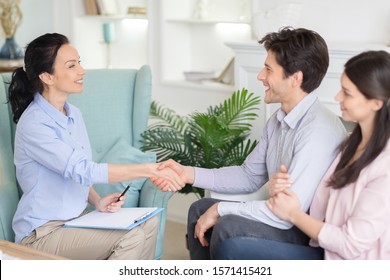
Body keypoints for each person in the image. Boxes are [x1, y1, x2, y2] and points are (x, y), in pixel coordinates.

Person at [152, 27, 347, 259]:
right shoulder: (278, 120)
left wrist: (221, 209)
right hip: (284, 219)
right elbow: (249, 175)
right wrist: (189, 173)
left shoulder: (317, 131)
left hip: (306, 234)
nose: (260, 76)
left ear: (296, 77)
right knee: (199, 209)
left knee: (227, 226)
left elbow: (287, 213)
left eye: (268, 69)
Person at [8, 33, 183, 260]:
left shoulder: (74, 114)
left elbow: (74, 173)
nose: (82, 71)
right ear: (47, 77)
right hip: (41, 234)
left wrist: (97, 200)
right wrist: (149, 169)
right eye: (72, 66)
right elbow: (84, 169)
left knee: (149, 224)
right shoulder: (34, 124)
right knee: (131, 238)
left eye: (79, 62)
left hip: (76, 220)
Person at [264, 50, 390, 260]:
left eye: (347, 93)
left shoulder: (384, 167)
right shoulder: (352, 144)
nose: (337, 97)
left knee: (234, 247)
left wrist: (292, 213)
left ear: (376, 103)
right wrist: (285, 191)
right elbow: (324, 208)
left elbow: (349, 244)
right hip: (323, 249)